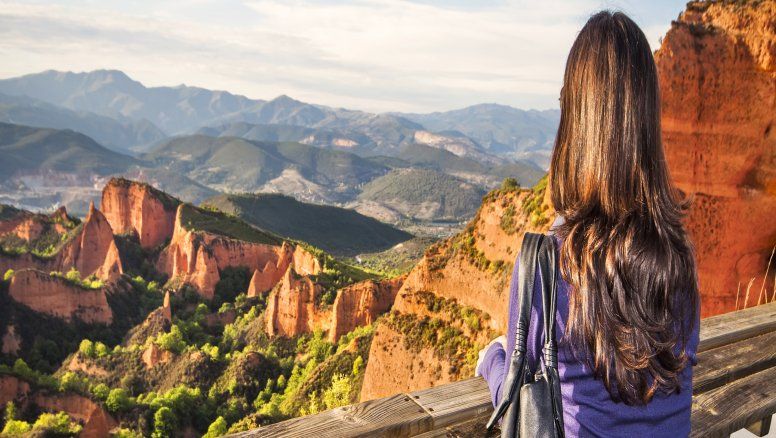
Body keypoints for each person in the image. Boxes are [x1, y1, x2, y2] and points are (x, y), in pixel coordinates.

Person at [476, 10, 700, 437]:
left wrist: (492, 358)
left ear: (575, 118)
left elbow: (520, 408)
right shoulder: (677, 258)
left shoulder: (548, 263)